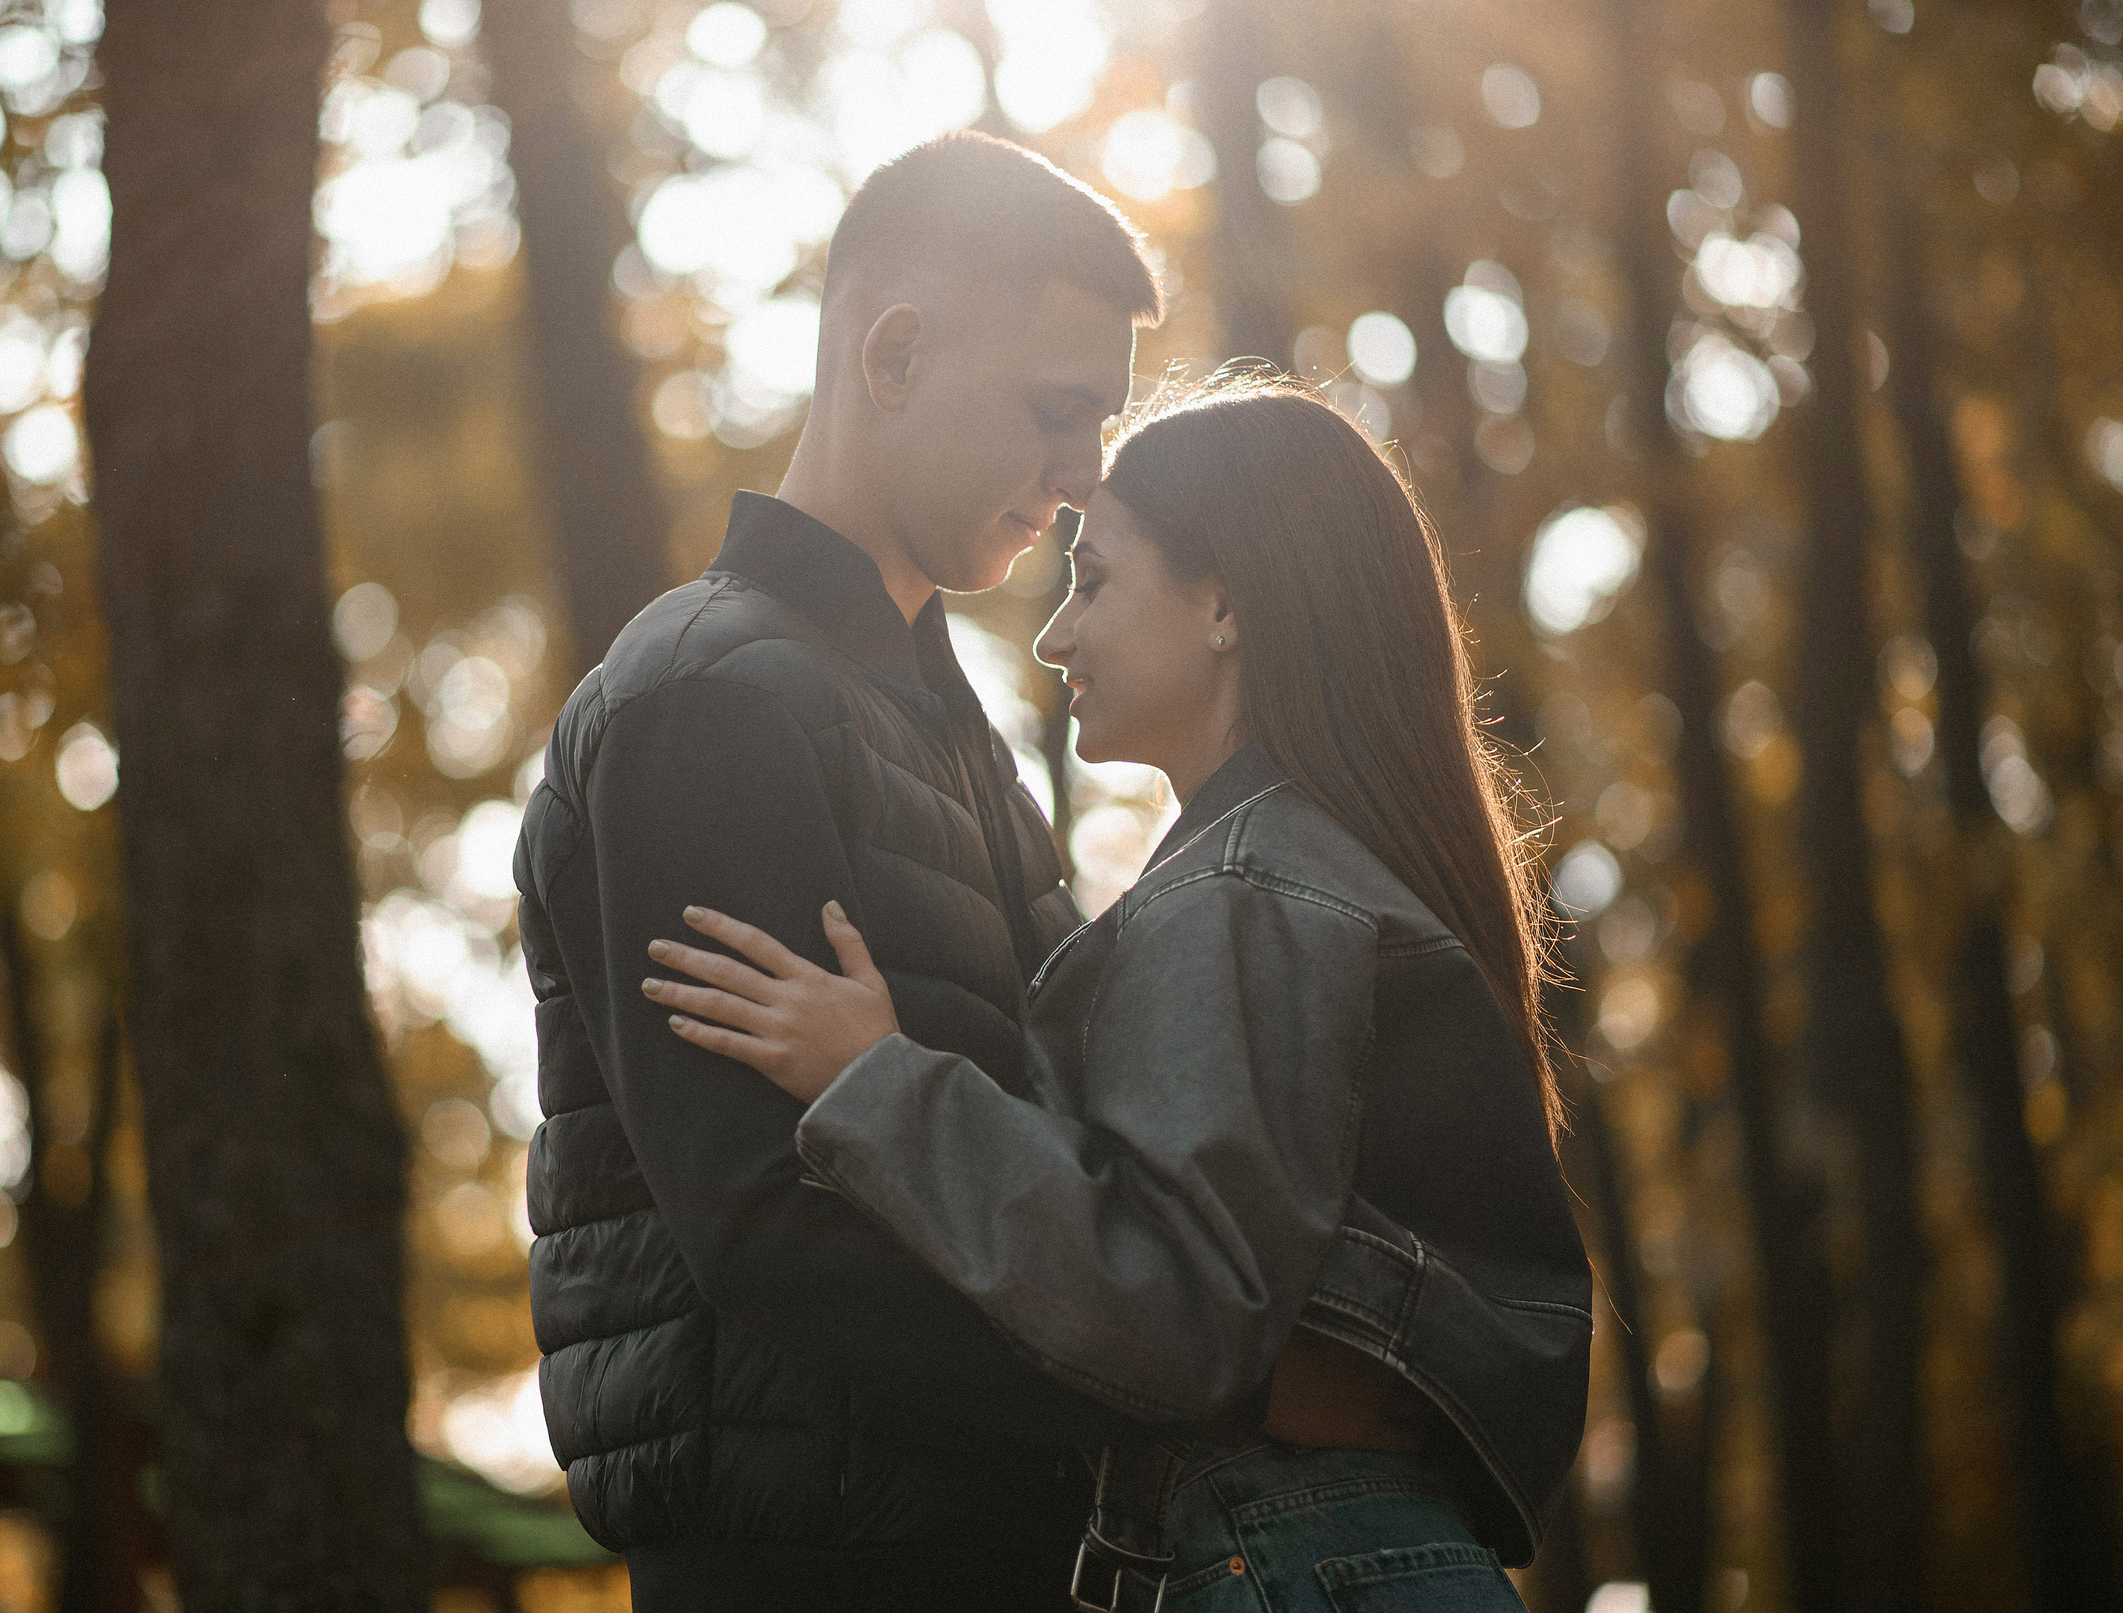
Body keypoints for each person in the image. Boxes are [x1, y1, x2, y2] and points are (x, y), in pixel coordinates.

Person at [642, 374, 1594, 1611]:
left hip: (1288, 1554)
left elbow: (1180, 1305)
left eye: (1094, 581)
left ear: (1221, 604)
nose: (1055, 636)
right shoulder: (1313, 873)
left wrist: (880, 1082)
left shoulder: (1247, 889)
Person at [514, 132, 1164, 1611]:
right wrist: (1151, 1380)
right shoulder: (709, 698)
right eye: (1059, 413)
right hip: (816, 1564)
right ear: (895, 355)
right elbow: (767, 1221)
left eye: (1101, 430)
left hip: (992, 1542)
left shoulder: (950, 722)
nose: (1081, 479)